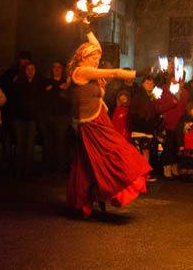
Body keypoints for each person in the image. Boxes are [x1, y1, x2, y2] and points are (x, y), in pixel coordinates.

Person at [66, 25, 151, 218]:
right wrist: (137, 74)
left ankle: (90, 198)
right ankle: (91, 197)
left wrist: (87, 27)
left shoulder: (89, 70)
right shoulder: (81, 71)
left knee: (90, 162)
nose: (97, 61)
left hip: (99, 118)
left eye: (97, 58)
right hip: (91, 123)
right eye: (93, 58)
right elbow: (113, 73)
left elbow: (96, 46)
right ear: (83, 58)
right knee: (107, 155)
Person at [40, 61, 71, 173]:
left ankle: (60, 167)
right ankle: (48, 166)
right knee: (49, 141)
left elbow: (69, 98)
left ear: (62, 69)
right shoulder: (47, 82)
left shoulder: (66, 83)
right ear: (52, 69)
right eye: (54, 67)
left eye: (59, 67)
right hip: (49, 115)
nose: (56, 69)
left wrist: (56, 88)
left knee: (60, 141)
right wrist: (58, 87)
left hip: (62, 117)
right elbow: (43, 97)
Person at [176, 102, 193, 182]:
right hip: (185, 144)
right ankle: (184, 176)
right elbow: (179, 132)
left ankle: (191, 175)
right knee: (184, 160)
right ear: (189, 110)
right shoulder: (184, 119)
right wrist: (180, 143)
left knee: (192, 160)